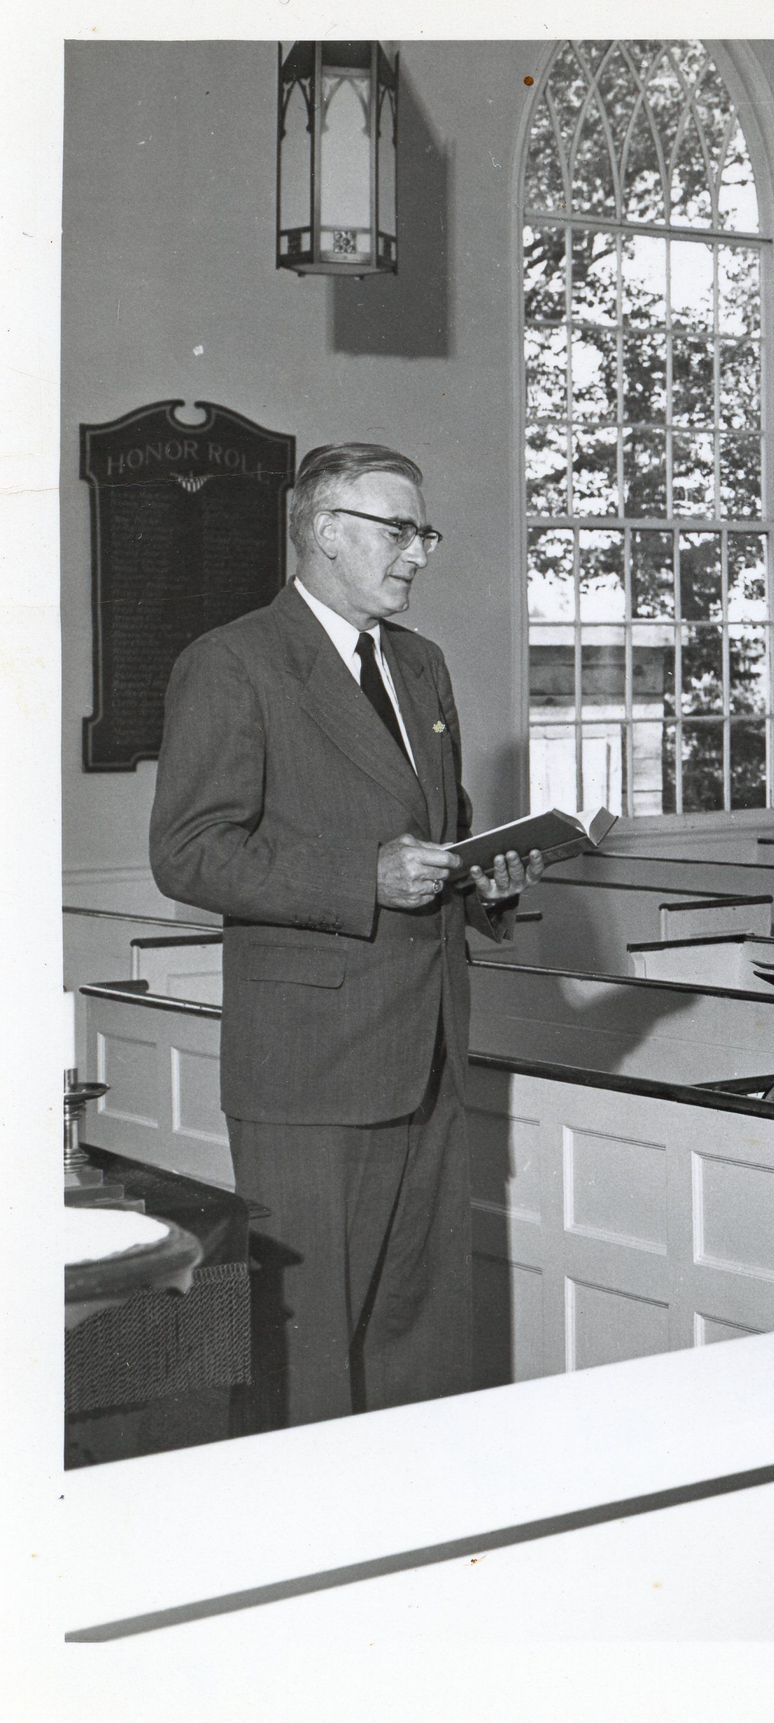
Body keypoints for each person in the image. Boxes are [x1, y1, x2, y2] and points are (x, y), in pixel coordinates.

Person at [149, 442, 539, 1429]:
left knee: (420, 1336)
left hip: (430, 1050)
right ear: (325, 530)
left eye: (425, 534)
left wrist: (485, 884)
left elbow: (438, 833)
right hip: (311, 1066)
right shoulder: (234, 662)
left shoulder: (421, 664)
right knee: (305, 1347)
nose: (418, 555)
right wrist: (360, 878)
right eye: (398, 531)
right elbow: (189, 853)